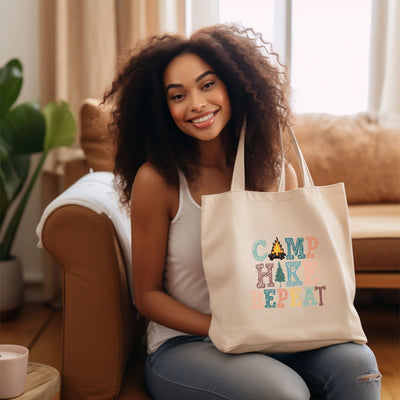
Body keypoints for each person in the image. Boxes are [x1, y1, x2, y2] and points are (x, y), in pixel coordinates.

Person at [104, 24, 381, 400]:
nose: (197, 104)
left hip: (279, 333)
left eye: (207, 85)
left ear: (234, 85)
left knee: (358, 366)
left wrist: (271, 326)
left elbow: (290, 276)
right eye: (177, 95)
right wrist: (225, 325)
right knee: (284, 394)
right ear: (162, 108)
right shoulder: (158, 181)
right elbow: (147, 295)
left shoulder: (277, 171)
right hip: (189, 345)